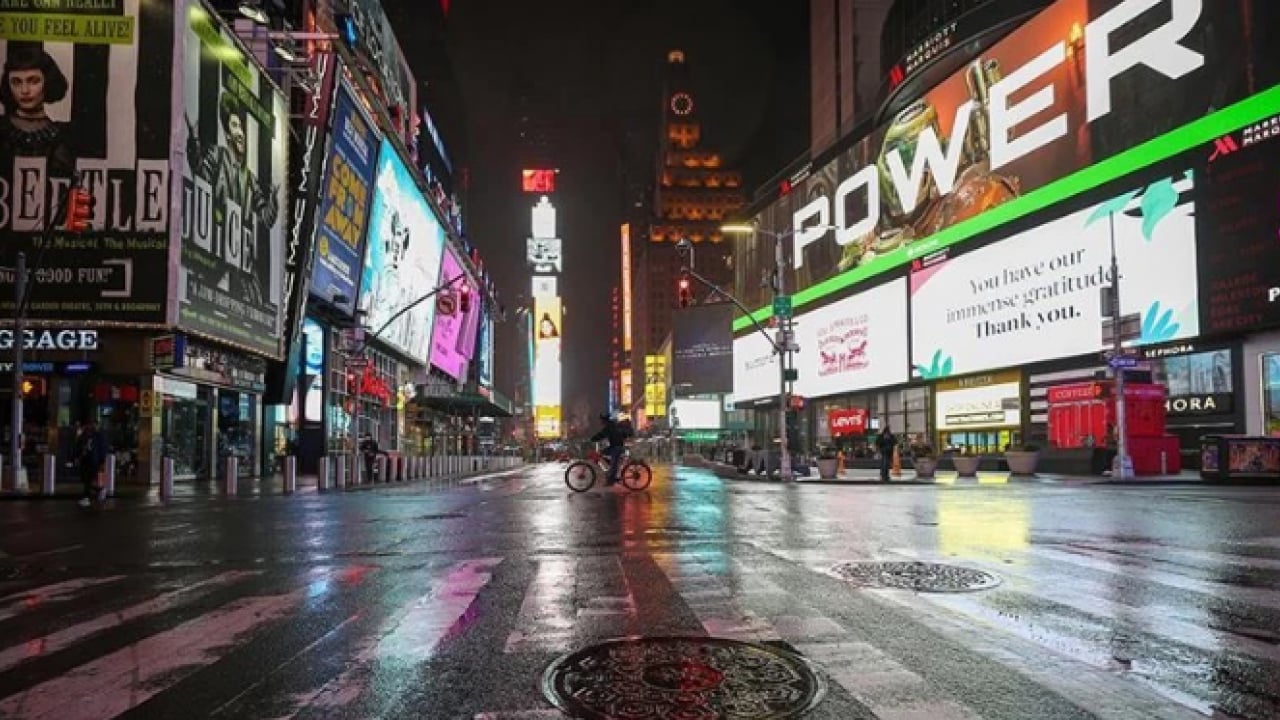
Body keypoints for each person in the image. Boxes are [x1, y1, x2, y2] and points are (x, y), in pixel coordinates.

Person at [0, 46, 75, 179]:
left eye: (33, 81)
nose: (24, 90)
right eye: (16, 82)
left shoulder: (62, 136)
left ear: (48, 82)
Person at [590, 413, 631, 487]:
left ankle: (612, 479)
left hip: (617, 447)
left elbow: (601, 434)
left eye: (601, 420)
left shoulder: (609, 426)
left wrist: (592, 439)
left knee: (613, 464)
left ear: (604, 420)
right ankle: (610, 467)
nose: (600, 422)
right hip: (614, 446)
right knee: (601, 453)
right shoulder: (610, 425)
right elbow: (602, 434)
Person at [74, 420, 108, 507]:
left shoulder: (98, 436)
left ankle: (87, 497)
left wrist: (102, 460)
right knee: (86, 479)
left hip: (93, 461)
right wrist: (77, 456)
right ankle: (99, 490)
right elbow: (79, 446)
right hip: (86, 460)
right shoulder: (84, 436)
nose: (91, 427)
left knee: (89, 479)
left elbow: (102, 449)